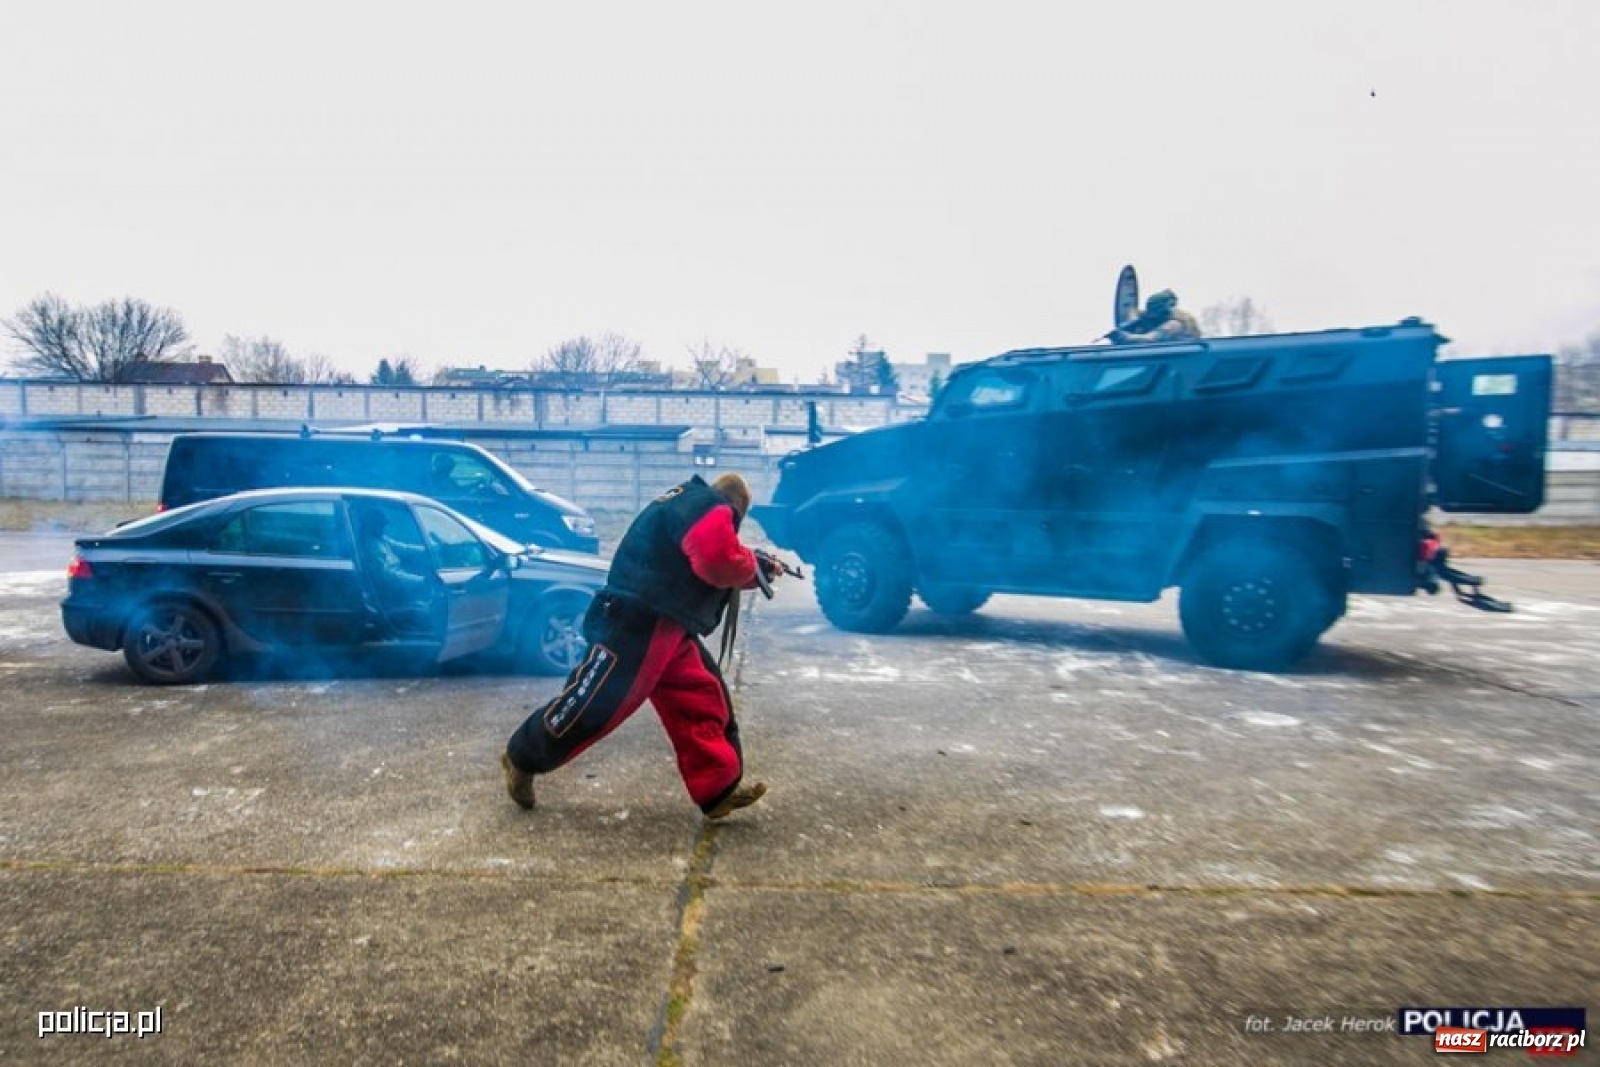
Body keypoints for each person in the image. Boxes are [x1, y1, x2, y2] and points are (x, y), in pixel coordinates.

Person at [500, 472, 781, 819]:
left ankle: (717, 789)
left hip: (665, 621)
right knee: (595, 704)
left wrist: (758, 565)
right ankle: (521, 757)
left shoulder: (687, 502)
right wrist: (750, 570)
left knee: (700, 696)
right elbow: (715, 560)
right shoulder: (710, 507)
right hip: (635, 621)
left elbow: (716, 551)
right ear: (737, 507)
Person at [1109, 289, 1202, 344]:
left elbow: (1151, 338)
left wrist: (1125, 337)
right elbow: (1142, 316)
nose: (1151, 316)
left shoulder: (1175, 324)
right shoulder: (1168, 317)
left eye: (1153, 312)